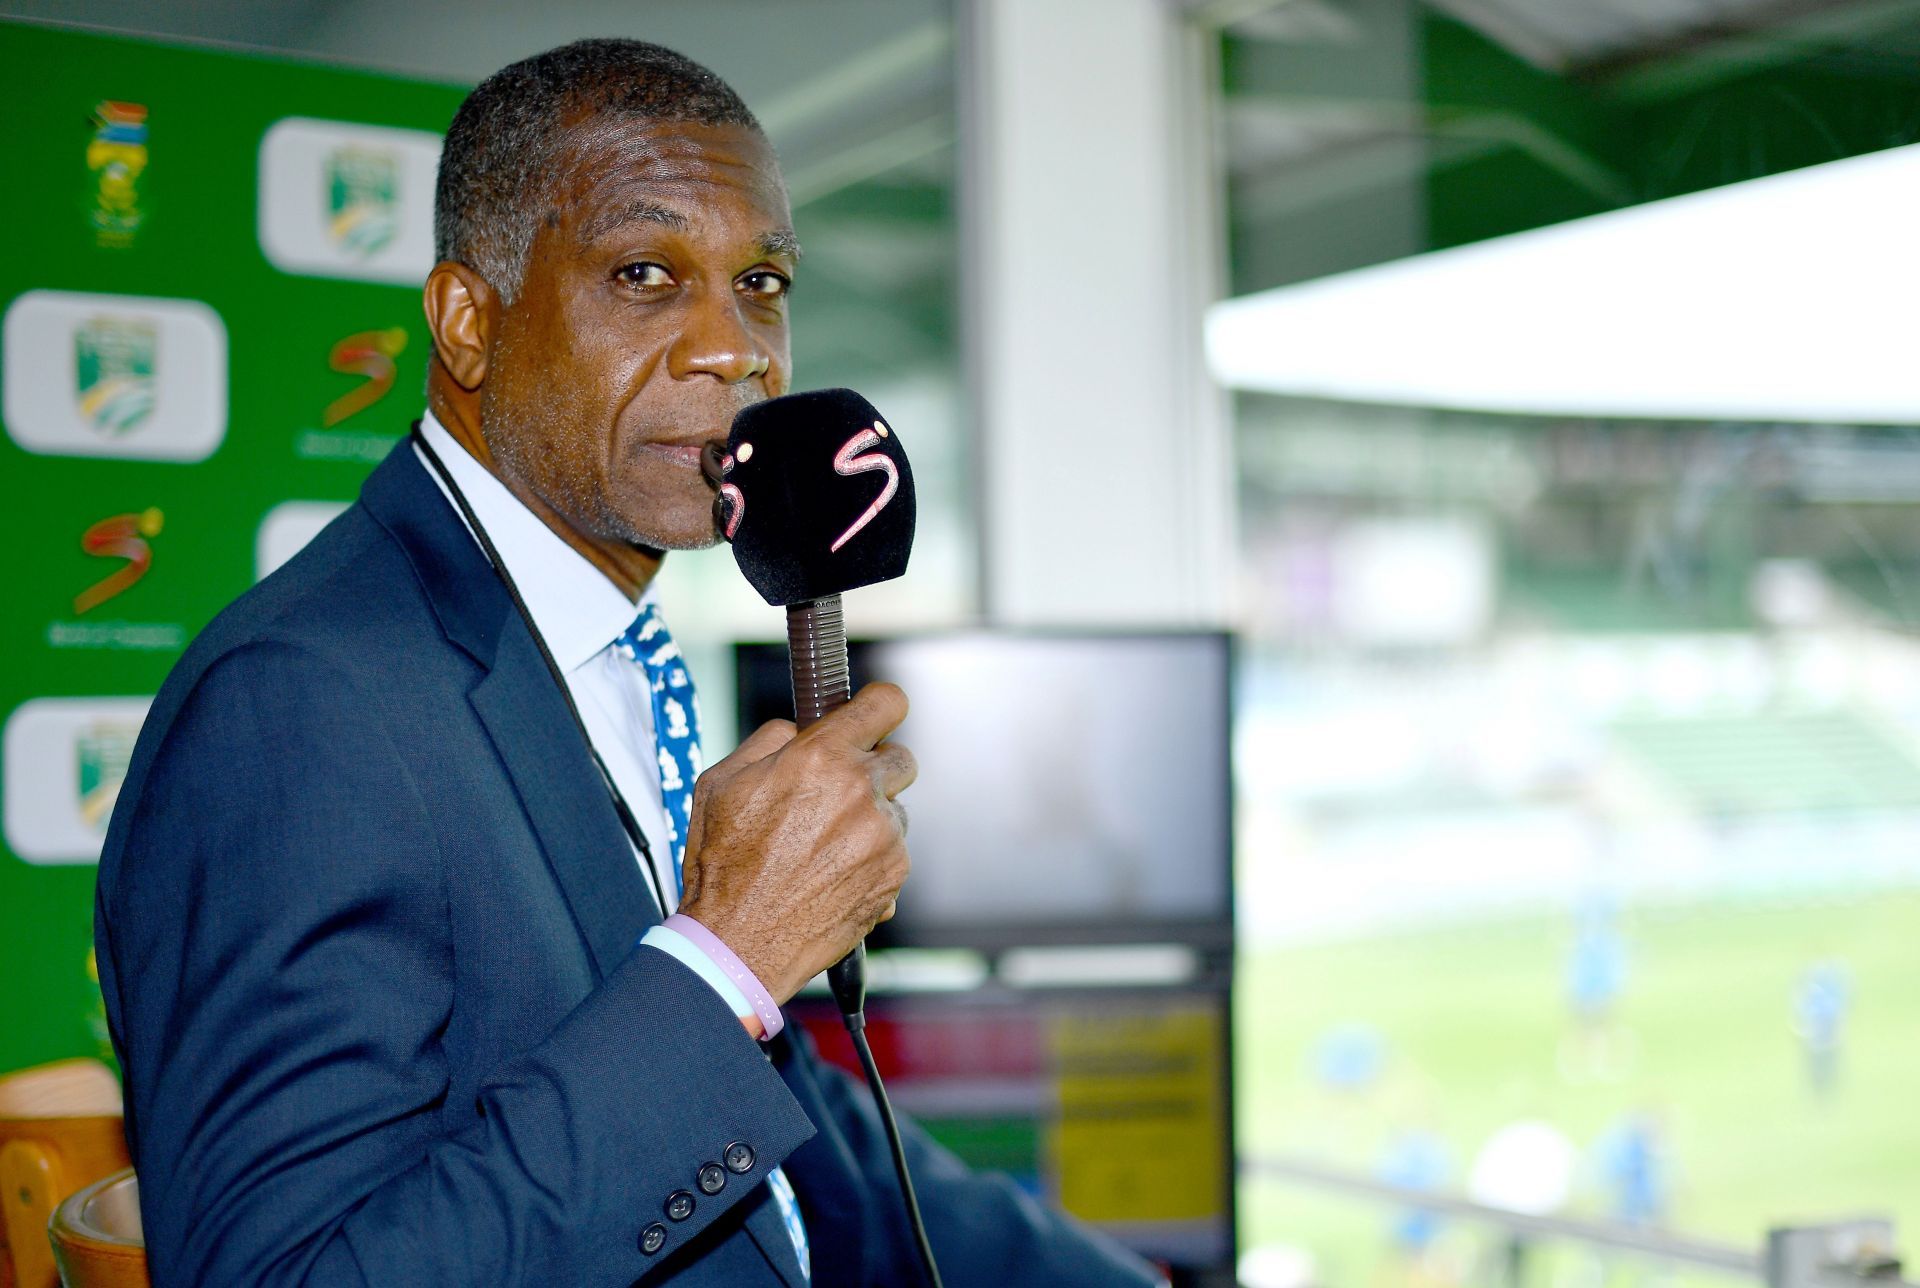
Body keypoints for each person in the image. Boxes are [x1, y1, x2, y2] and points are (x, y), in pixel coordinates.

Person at [94, 38, 1158, 1287]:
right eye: (646, 273)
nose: (736, 350)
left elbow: (796, 1148)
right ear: (468, 322)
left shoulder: (604, 651)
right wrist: (730, 958)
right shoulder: (297, 705)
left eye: (760, 282)